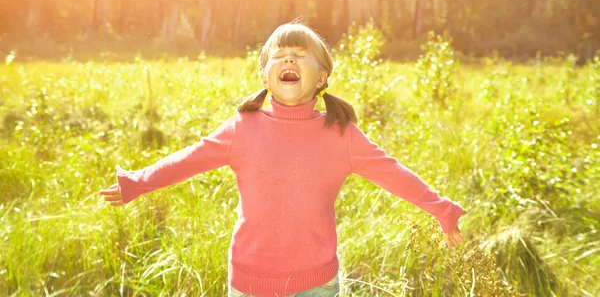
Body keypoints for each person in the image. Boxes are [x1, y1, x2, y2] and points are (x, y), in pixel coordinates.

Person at [99, 21, 466, 297]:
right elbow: (188, 159)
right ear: (265, 74)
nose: (289, 57)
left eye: (301, 53)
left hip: (317, 285)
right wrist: (138, 182)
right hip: (249, 282)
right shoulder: (243, 127)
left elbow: (392, 172)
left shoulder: (341, 134)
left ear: (322, 77)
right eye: (279, 53)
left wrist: (441, 209)